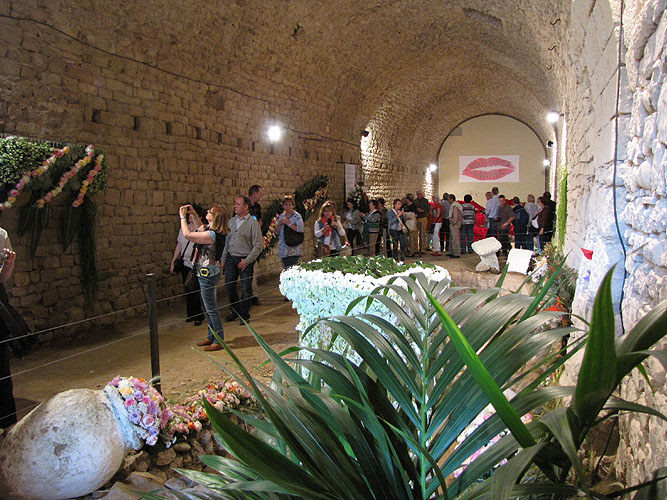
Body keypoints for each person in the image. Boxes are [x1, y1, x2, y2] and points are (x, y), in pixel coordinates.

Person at [179, 204, 229, 351]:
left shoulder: (212, 235)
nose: (207, 211)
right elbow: (200, 227)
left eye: (210, 212)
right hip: (205, 273)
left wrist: (182, 217)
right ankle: (211, 335)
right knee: (206, 307)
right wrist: (193, 213)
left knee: (211, 308)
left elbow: (188, 235)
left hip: (208, 275)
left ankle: (218, 340)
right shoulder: (212, 230)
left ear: (215, 217)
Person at [0, 229, 32, 428]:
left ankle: (7, 426)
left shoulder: (1, 235)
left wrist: (8, 265)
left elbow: (2, 279)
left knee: (2, 371)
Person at [222, 195, 263, 325]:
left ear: (246, 207)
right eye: (235, 204)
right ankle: (235, 310)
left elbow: (258, 245)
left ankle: (244, 314)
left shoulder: (253, 223)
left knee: (246, 288)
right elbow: (227, 242)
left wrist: (247, 260)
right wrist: (223, 259)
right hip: (231, 258)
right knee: (229, 286)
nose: (235, 206)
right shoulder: (231, 222)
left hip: (245, 259)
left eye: (238, 204)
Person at [170, 204, 205, 326]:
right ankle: (191, 314)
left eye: (192, 215)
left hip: (196, 264)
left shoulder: (200, 230)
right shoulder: (183, 229)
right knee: (188, 290)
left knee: (196, 290)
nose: (190, 217)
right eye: (188, 215)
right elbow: (179, 246)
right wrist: (173, 262)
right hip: (185, 263)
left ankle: (199, 315)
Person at [276, 195, 304, 268]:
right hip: (283, 248)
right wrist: (280, 223)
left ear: (293, 205)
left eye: (290, 204)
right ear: (283, 206)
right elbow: (277, 232)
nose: (288, 207)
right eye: (286, 204)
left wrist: (288, 223)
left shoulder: (297, 216)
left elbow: (300, 229)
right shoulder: (281, 216)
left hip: (294, 248)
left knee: (292, 268)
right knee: (285, 268)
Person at [248, 185, 263, 306]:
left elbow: (260, 220)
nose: (261, 196)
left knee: (253, 269)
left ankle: (254, 295)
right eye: (260, 193)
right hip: (246, 240)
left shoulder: (257, 207)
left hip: (254, 239)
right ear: (254, 193)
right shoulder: (245, 205)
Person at [413, 190, 430, 256]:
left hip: (422, 217)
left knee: (422, 233)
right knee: (415, 233)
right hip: (416, 218)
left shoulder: (425, 201)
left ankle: (422, 248)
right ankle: (415, 248)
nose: (419, 195)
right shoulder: (415, 201)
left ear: (422, 194)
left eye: (420, 194)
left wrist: (422, 210)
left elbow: (428, 210)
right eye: (417, 194)